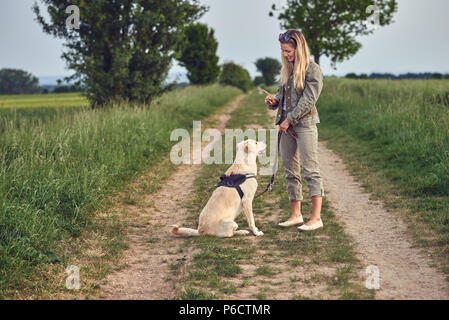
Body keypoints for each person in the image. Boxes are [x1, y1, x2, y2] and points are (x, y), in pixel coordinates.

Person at [263, 29, 325, 231]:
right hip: (287, 126)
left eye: (289, 51)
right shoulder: (287, 70)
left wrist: (289, 119)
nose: (286, 55)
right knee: (290, 171)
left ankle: (316, 218)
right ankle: (296, 215)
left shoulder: (312, 69)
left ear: (299, 48)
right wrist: (274, 102)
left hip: (304, 125)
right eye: (283, 51)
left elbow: (308, 100)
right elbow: (284, 99)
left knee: (310, 170)